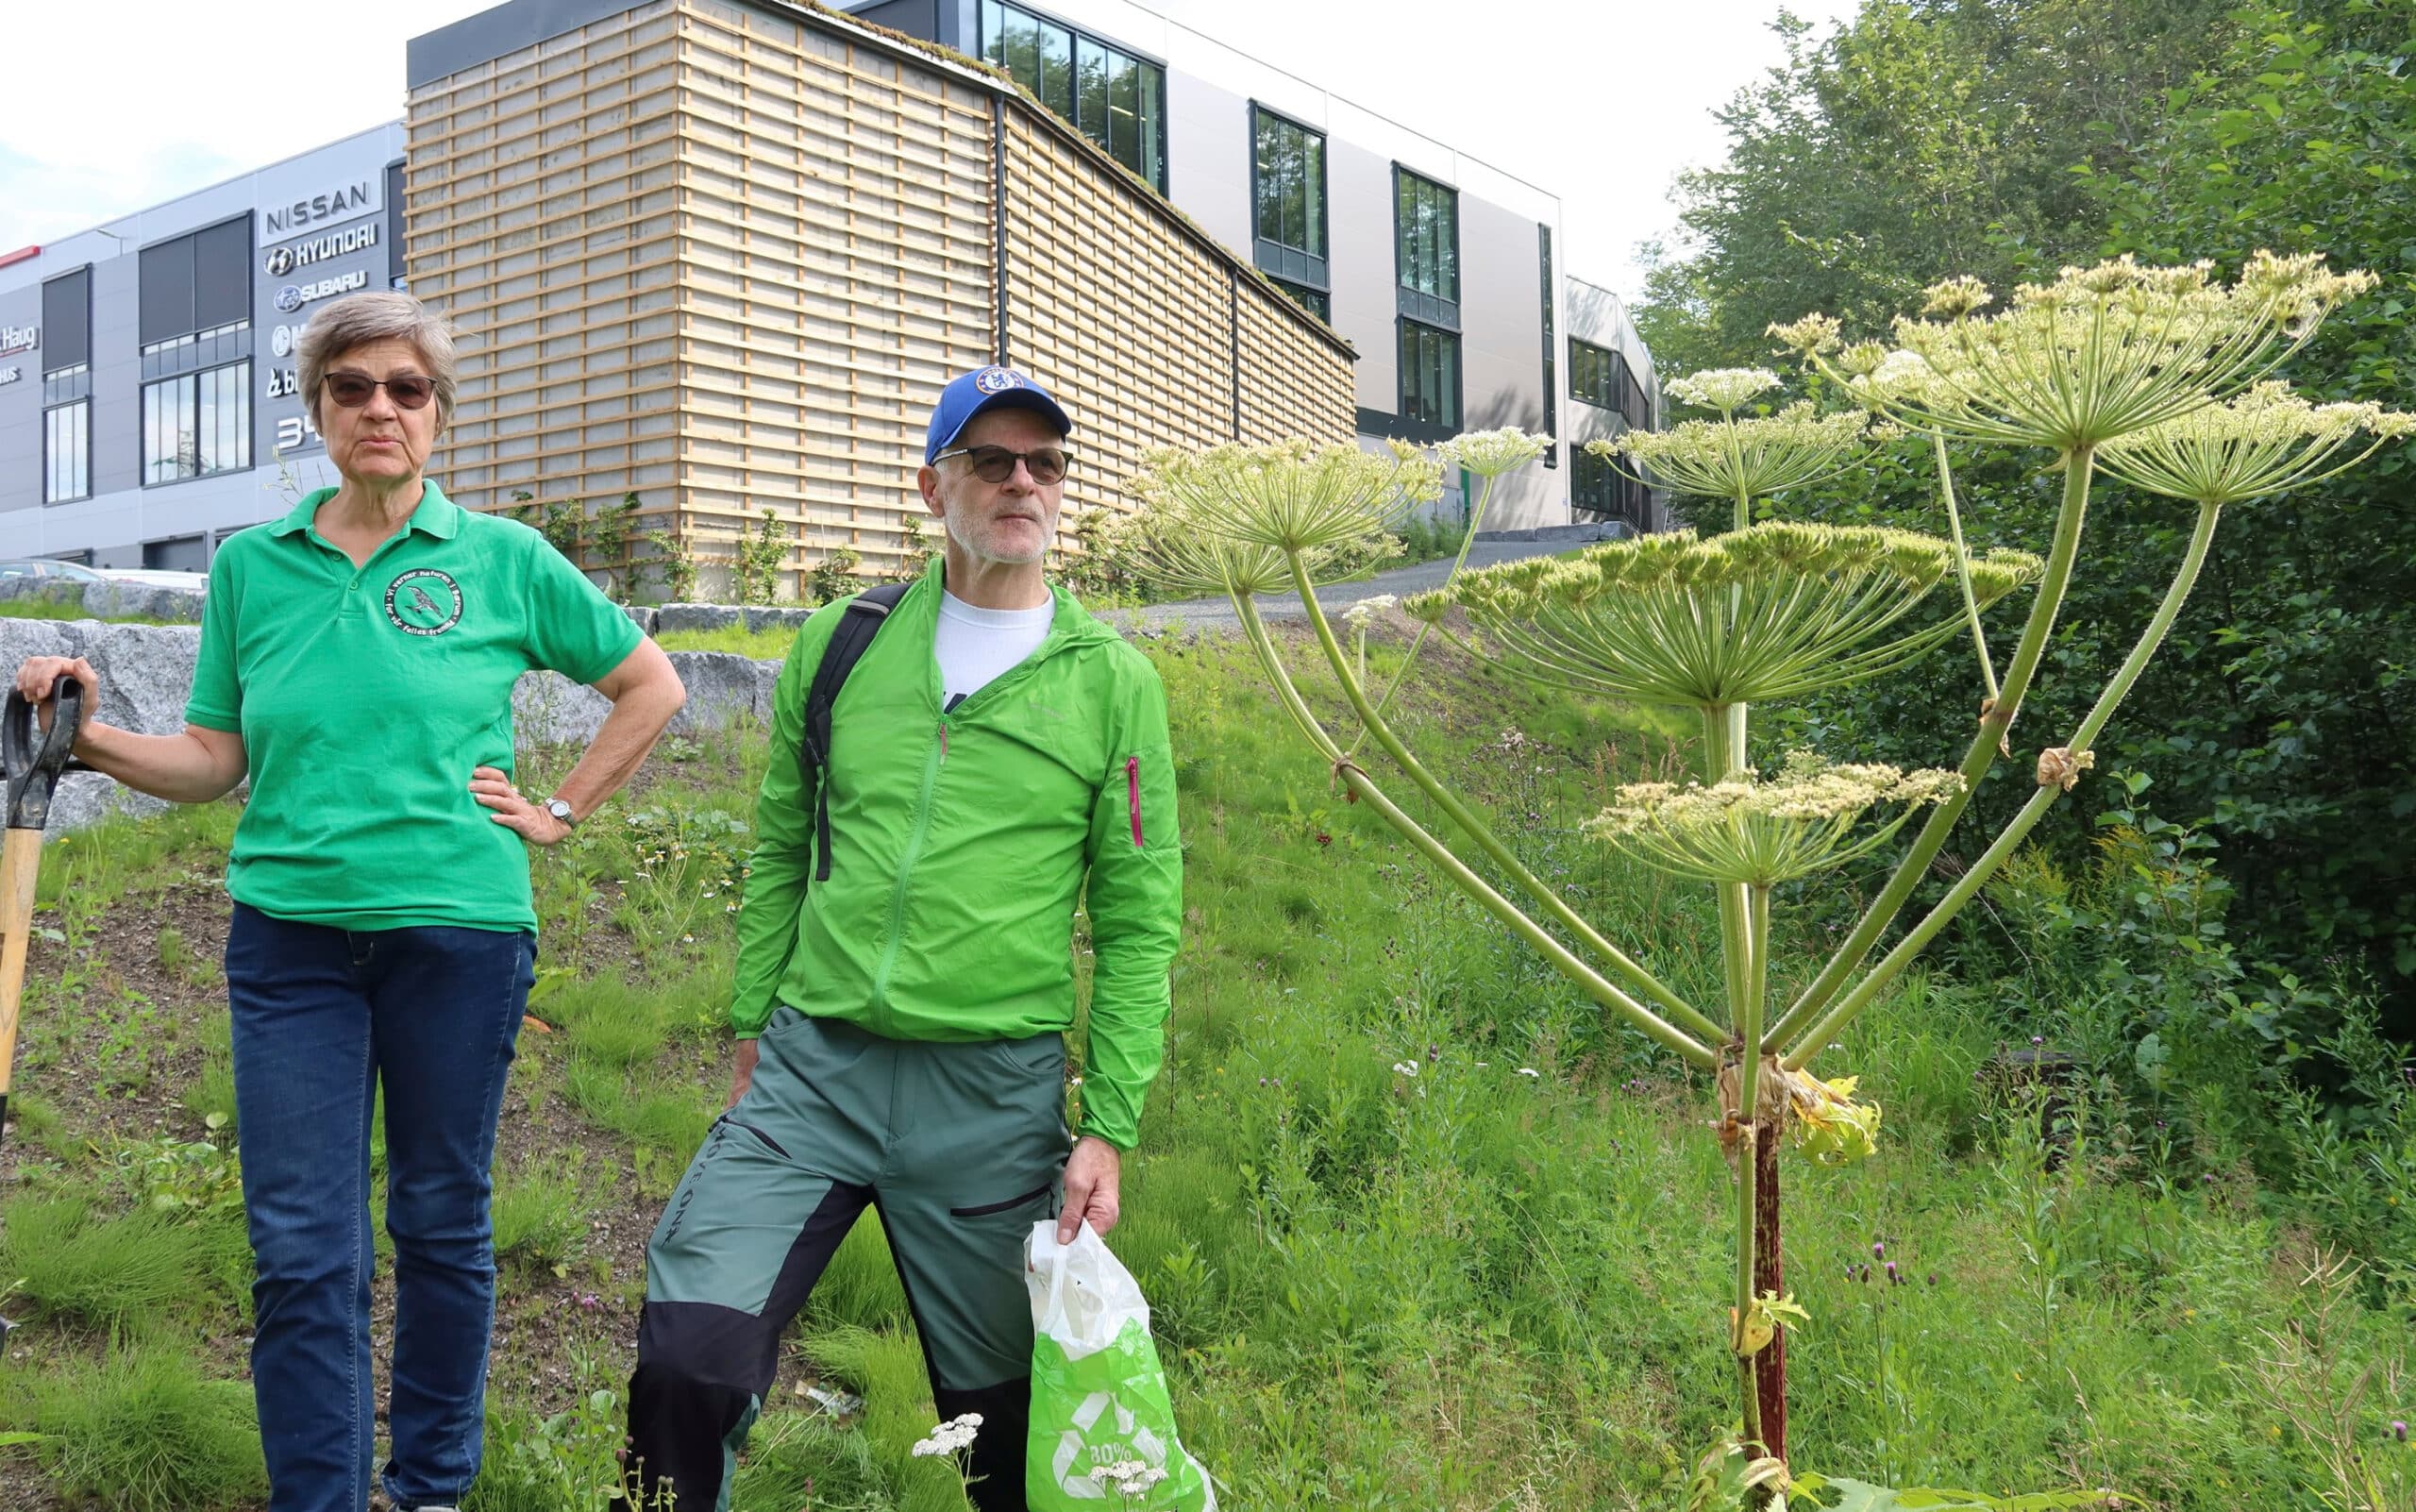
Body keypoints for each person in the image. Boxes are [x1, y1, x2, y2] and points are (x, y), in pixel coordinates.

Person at [11, 290, 688, 1512]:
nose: (380, 406)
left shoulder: (501, 561)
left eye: (406, 388)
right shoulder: (253, 571)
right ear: (318, 408)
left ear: (437, 412)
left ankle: (427, 1485)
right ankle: (318, 1497)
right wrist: (94, 738)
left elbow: (650, 683)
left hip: (459, 935)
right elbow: (217, 759)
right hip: (291, 946)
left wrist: (559, 811)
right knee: (302, 1250)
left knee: (438, 1222)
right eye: (353, 386)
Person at [616, 366, 1183, 1512]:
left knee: (1014, 1442)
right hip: (811, 1076)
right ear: (935, 487)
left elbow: (1136, 921)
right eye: (991, 460)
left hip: (989, 1104)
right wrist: (749, 1021)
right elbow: (782, 848)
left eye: (1045, 463)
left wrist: (1108, 1122)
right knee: (687, 1358)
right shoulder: (844, 643)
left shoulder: (1113, 685)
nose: (1023, 482)